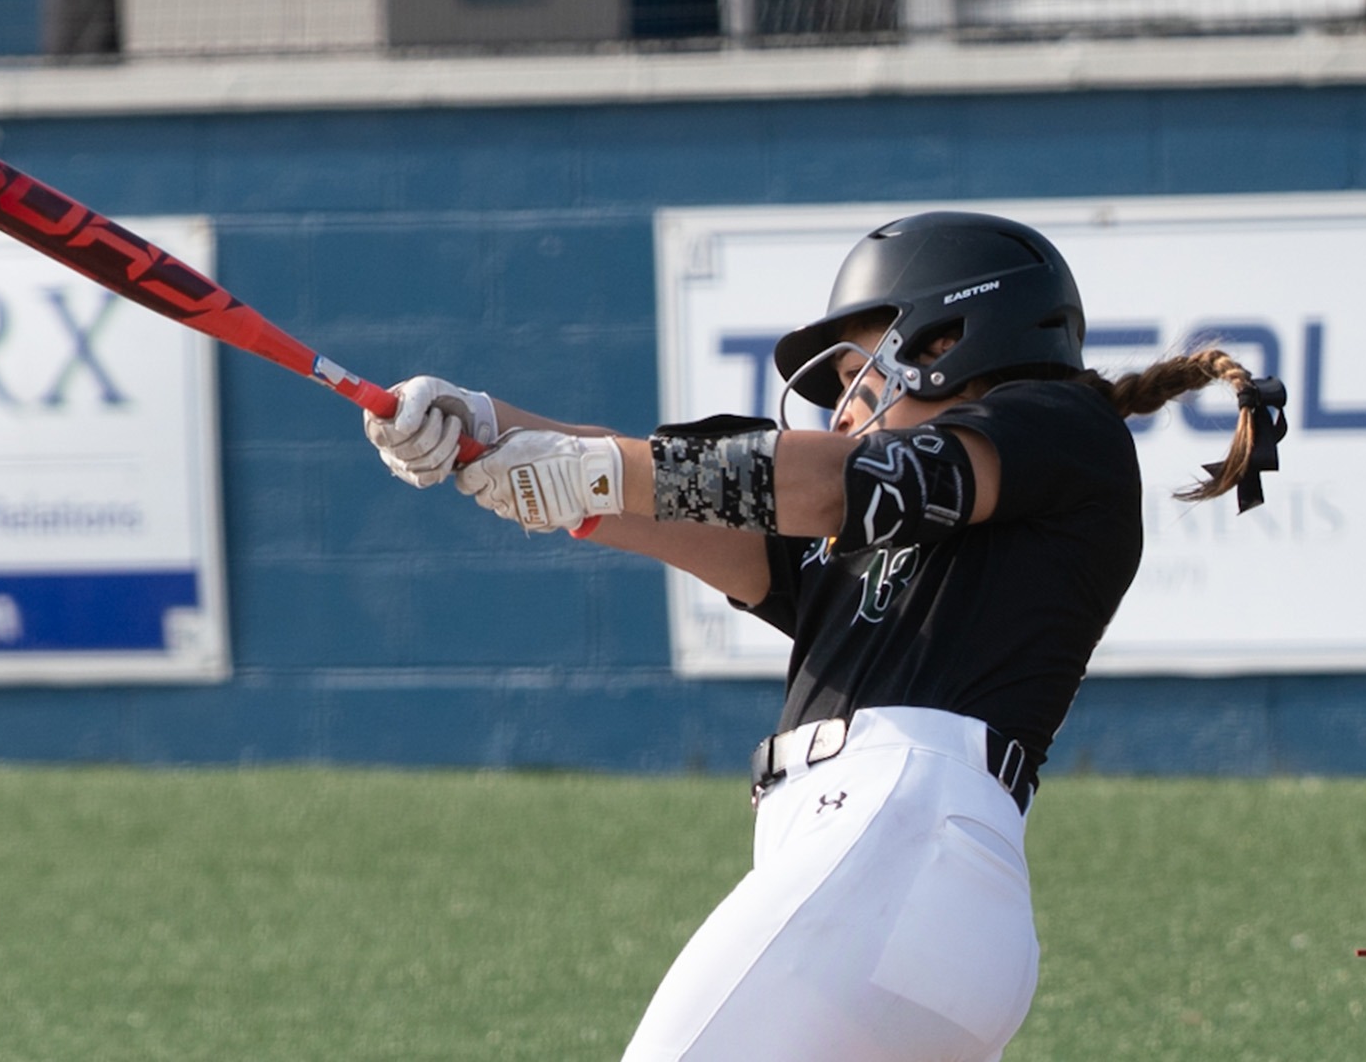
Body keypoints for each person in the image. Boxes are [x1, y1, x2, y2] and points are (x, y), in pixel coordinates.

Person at [361, 211, 1285, 1062]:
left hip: (898, 828)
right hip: (913, 883)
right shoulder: (874, 531)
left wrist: (594, 474)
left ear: (946, 339)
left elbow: (822, 481)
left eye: (856, 379)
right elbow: (678, 509)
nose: (845, 408)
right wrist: (482, 430)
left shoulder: (1059, 424)